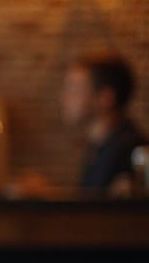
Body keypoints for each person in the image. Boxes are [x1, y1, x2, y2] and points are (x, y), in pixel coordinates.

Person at [61, 53, 147, 192]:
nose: (65, 98)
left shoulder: (127, 150)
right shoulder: (100, 145)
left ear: (105, 98)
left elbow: (95, 211)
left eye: (75, 90)